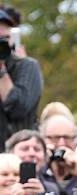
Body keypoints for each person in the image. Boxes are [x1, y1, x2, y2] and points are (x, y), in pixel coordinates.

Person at [0, 6, 43, 152]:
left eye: (4, 39)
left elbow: (18, 107)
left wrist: (1, 70)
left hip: (20, 155)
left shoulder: (26, 66)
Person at [39, 114, 77, 195]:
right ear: (43, 140)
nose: (62, 143)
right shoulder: (37, 171)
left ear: (76, 141)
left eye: (67, 138)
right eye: (55, 138)